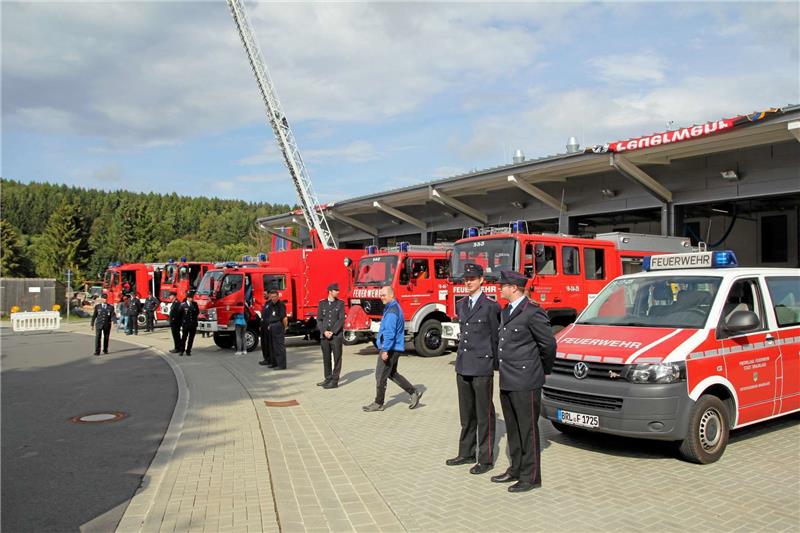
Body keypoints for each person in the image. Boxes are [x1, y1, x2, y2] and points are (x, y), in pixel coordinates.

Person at [490, 270, 556, 493]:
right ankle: (516, 469)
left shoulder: (532, 312)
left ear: (514, 288)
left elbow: (548, 345)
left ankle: (531, 476)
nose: (500, 288)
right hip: (508, 378)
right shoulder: (506, 310)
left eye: (503, 286)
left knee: (527, 430)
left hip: (526, 380)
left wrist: (542, 370)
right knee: (513, 428)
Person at [446, 263, 500, 475]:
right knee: (466, 414)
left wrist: (495, 365)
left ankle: (485, 459)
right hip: (463, 365)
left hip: (481, 365)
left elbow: (495, 337)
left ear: (481, 280)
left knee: (484, 414)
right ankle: (466, 452)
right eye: (466, 279)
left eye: (472, 279)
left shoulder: (490, 306)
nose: (468, 282)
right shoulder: (461, 304)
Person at [362, 286, 423, 412]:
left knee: (380, 375)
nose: (381, 297)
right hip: (394, 347)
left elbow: (389, 333)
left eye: (384, 295)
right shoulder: (392, 307)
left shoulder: (392, 311)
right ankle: (413, 392)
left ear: (391, 295)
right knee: (391, 373)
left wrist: (385, 350)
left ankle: (378, 403)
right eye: (381, 295)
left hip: (390, 348)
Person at [316, 283, 345, 389]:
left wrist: (332, 331)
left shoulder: (340, 303)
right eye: (336, 290)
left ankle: (335, 381)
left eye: (338, 290)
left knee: (337, 358)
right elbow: (319, 319)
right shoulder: (322, 303)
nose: (338, 292)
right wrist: (324, 331)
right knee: (326, 358)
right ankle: (328, 378)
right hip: (324, 336)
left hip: (336, 336)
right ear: (330, 291)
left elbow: (341, 319)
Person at [259, 289, 287, 369]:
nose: (273, 298)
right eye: (272, 297)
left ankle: (281, 365)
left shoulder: (281, 304)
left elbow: (284, 318)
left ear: (278, 296)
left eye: (275, 297)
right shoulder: (271, 304)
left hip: (278, 326)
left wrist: (284, 328)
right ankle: (274, 363)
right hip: (271, 326)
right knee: (272, 346)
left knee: (279, 346)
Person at [179, 290, 199, 356]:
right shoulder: (183, 305)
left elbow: (197, 312)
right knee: (184, 338)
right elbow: (180, 315)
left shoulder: (195, 304)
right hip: (186, 324)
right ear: (187, 298)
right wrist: (181, 323)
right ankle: (182, 350)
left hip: (193, 324)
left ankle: (188, 350)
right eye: (190, 298)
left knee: (191, 339)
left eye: (192, 298)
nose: (192, 299)